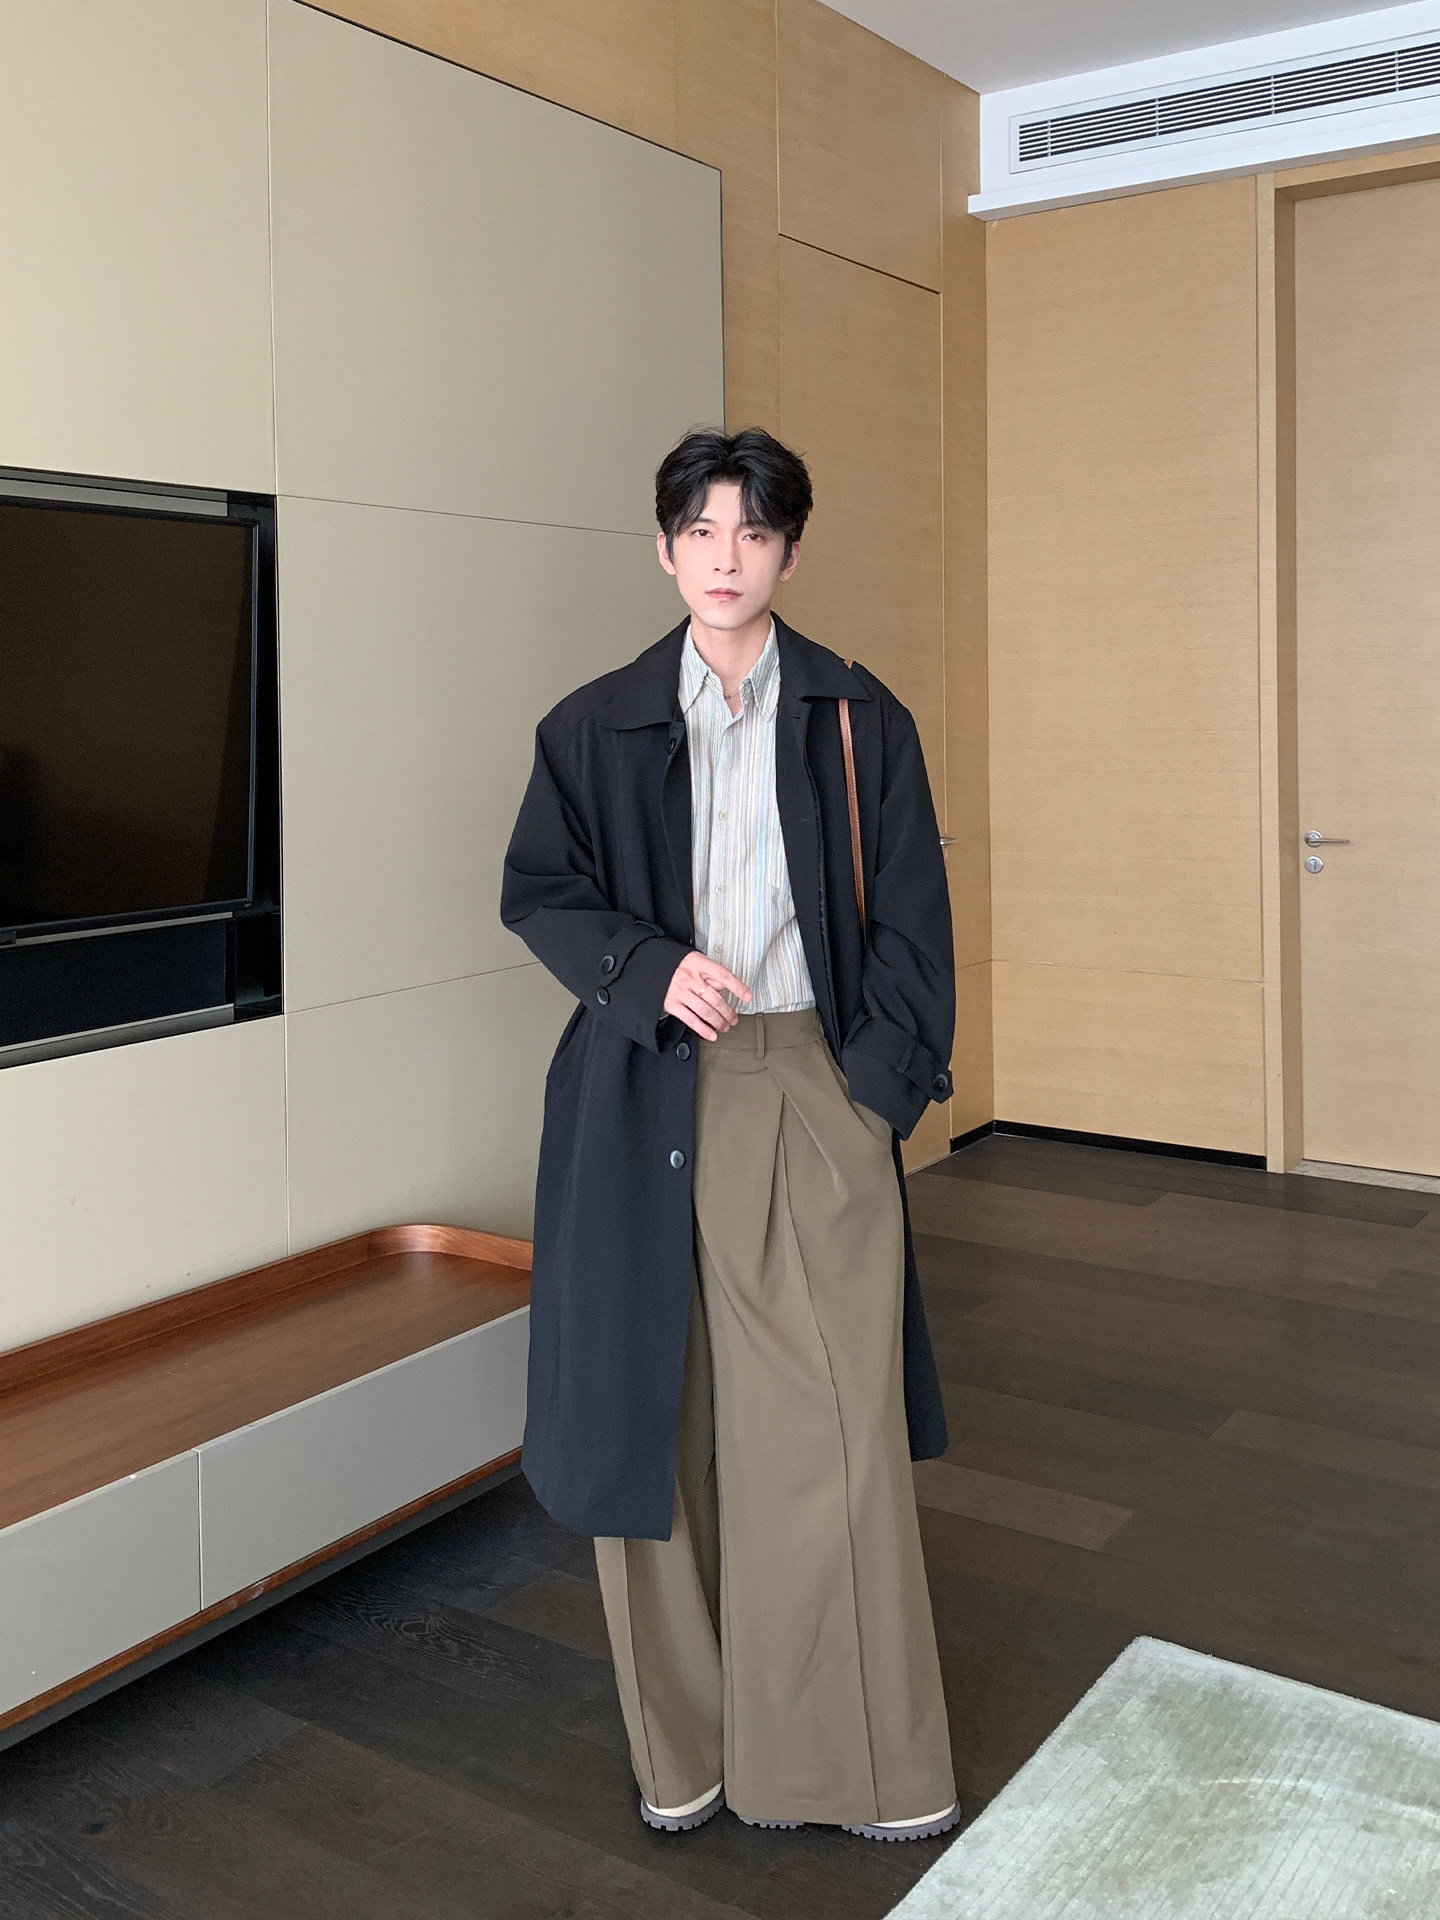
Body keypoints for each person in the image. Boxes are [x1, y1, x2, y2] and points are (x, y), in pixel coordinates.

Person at [500, 427, 959, 1841]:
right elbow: (540, 889)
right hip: (640, 1087)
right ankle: (683, 1757)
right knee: (652, 1428)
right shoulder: (591, 725)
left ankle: (850, 1767)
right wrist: (644, 971)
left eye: (752, 532)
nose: (724, 556)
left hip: (808, 1082)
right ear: (663, 549)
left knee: (828, 1425)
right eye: (699, 530)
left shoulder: (861, 718)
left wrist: (871, 1094)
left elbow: (915, 929)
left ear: (789, 553)